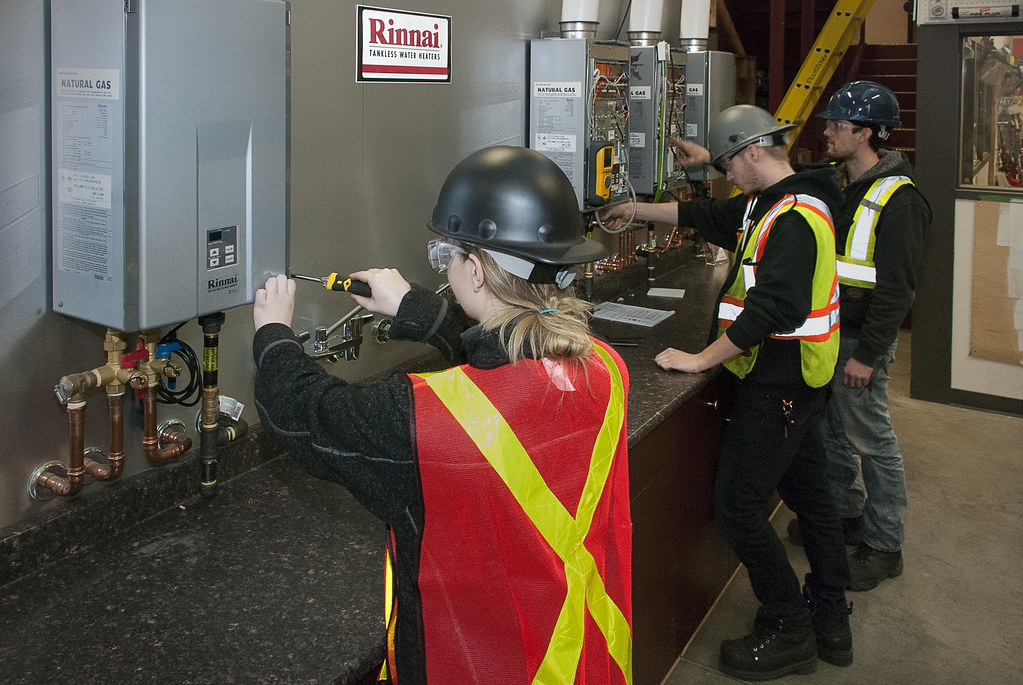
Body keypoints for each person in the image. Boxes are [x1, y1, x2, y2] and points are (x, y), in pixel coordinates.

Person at [251, 146, 633, 685]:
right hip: (589, 660)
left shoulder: (424, 419)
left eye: (447, 257)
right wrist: (415, 309)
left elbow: (305, 413)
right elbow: (508, 357)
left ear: (474, 270)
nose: (446, 269)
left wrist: (273, 333)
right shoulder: (605, 370)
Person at [601, 105, 852, 680]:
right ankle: (831, 617)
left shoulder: (796, 217)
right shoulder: (774, 202)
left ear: (752, 151)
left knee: (738, 507)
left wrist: (700, 359)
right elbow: (705, 213)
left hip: (780, 383)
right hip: (801, 382)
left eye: (728, 164)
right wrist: (631, 208)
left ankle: (790, 627)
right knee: (813, 498)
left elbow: (773, 308)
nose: (727, 175)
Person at [789, 81, 931, 591]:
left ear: (866, 133)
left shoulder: (901, 200)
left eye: (837, 125)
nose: (826, 132)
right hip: (830, 333)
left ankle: (885, 544)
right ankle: (847, 515)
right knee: (833, 433)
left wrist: (868, 356)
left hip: (859, 342)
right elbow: (781, 176)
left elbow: (897, 290)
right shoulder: (836, 179)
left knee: (872, 442)